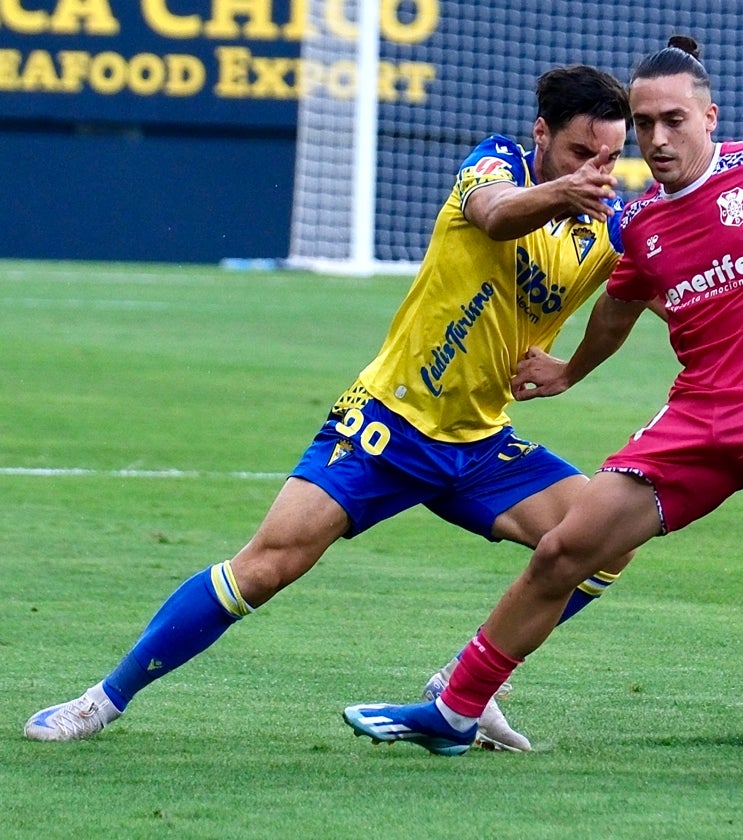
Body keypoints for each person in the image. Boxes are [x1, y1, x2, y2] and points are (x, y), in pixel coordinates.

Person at [341, 35, 743, 769]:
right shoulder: (636, 224)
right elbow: (619, 312)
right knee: (567, 549)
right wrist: (568, 373)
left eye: (673, 120)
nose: (657, 138)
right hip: (697, 414)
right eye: (644, 121)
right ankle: (456, 710)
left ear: (709, 116)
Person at [24, 64, 637, 752]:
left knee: (605, 541)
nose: (597, 170)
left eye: (611, 158)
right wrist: (563, 192)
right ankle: (100, 701)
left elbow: (631, 298)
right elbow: (494, 216)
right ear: (541, 135)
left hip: (480, 444)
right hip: (387, 425)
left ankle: (465, 687)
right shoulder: (494, 165)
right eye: (581, 154)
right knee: (265, 567)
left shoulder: (610, 226)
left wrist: (571, 370)